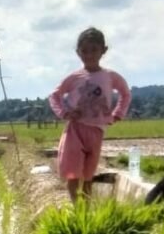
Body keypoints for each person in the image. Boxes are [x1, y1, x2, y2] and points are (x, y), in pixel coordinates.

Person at [47, 27, 131, 201]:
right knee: (72, 173)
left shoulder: (110, 76)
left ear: (103, 50)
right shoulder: (75, 77)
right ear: (78, 52)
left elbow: (125, 93)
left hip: (97, 130)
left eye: (94, 50)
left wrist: (117, 114)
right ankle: (77, 208)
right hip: (75, 130)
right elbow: (54, 96)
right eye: (85, 51)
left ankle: (86, 209)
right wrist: (64, 113)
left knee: (88, 175)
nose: (89, 55)